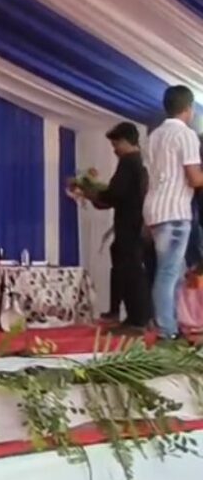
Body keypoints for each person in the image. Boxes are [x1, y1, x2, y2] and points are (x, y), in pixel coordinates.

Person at [67, 122, 149, 331]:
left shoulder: (128, 162)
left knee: (129, 270)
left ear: (125, 141)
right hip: (135, 222)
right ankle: (133, 316)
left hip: (129, 223)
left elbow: (115, 194)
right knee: (129, 267)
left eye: (115, 144)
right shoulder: (139, 162)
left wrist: (89, 192)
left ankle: (136, 319)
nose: (114, 150)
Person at [143, 85, 203, 342]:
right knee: (168, 272)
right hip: (175, 210)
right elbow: (194, 178)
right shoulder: (186, 135)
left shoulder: (154, 136)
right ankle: (167, 329)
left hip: (155, 208)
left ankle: (173, 324)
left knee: (174, 272)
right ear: (188, 108)